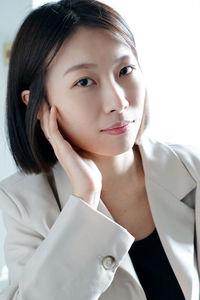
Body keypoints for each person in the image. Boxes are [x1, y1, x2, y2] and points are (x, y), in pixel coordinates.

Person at [0, 0, 199, 299]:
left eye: (125, 70)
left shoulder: (190, 168)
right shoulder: (22, 203)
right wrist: (85, 198)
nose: (118, 101)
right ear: (38, 105)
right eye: (85, 81)